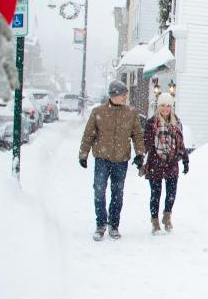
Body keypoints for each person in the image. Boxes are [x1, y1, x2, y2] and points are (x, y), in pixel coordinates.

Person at [79, 80, 145, 241]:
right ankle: (101, 224)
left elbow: (137, 135)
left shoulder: (131, 113)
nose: (125, 97)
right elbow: (89, 134)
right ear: (114, 95)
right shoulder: (98, 112)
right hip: (102, 159)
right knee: (99, 191)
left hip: (121, 161)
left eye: (125, 95)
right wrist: (83, 154)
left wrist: (140, 153)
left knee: (117, 194)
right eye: (123, 94)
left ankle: (114, 225)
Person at [141, 92, 189, 234]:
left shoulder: (177, 122)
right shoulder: (151, 122)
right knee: (156, 194)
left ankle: (167, 217)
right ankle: (155, 222)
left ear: (171, 107)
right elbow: (146, 143)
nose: (165, 108)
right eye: (163, 105)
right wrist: (140, 156)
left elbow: (181, 143)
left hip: (171, 162)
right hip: (155, 162)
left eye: (168, 105)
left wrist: (185, 160)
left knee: (171, 193)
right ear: (158, 106)